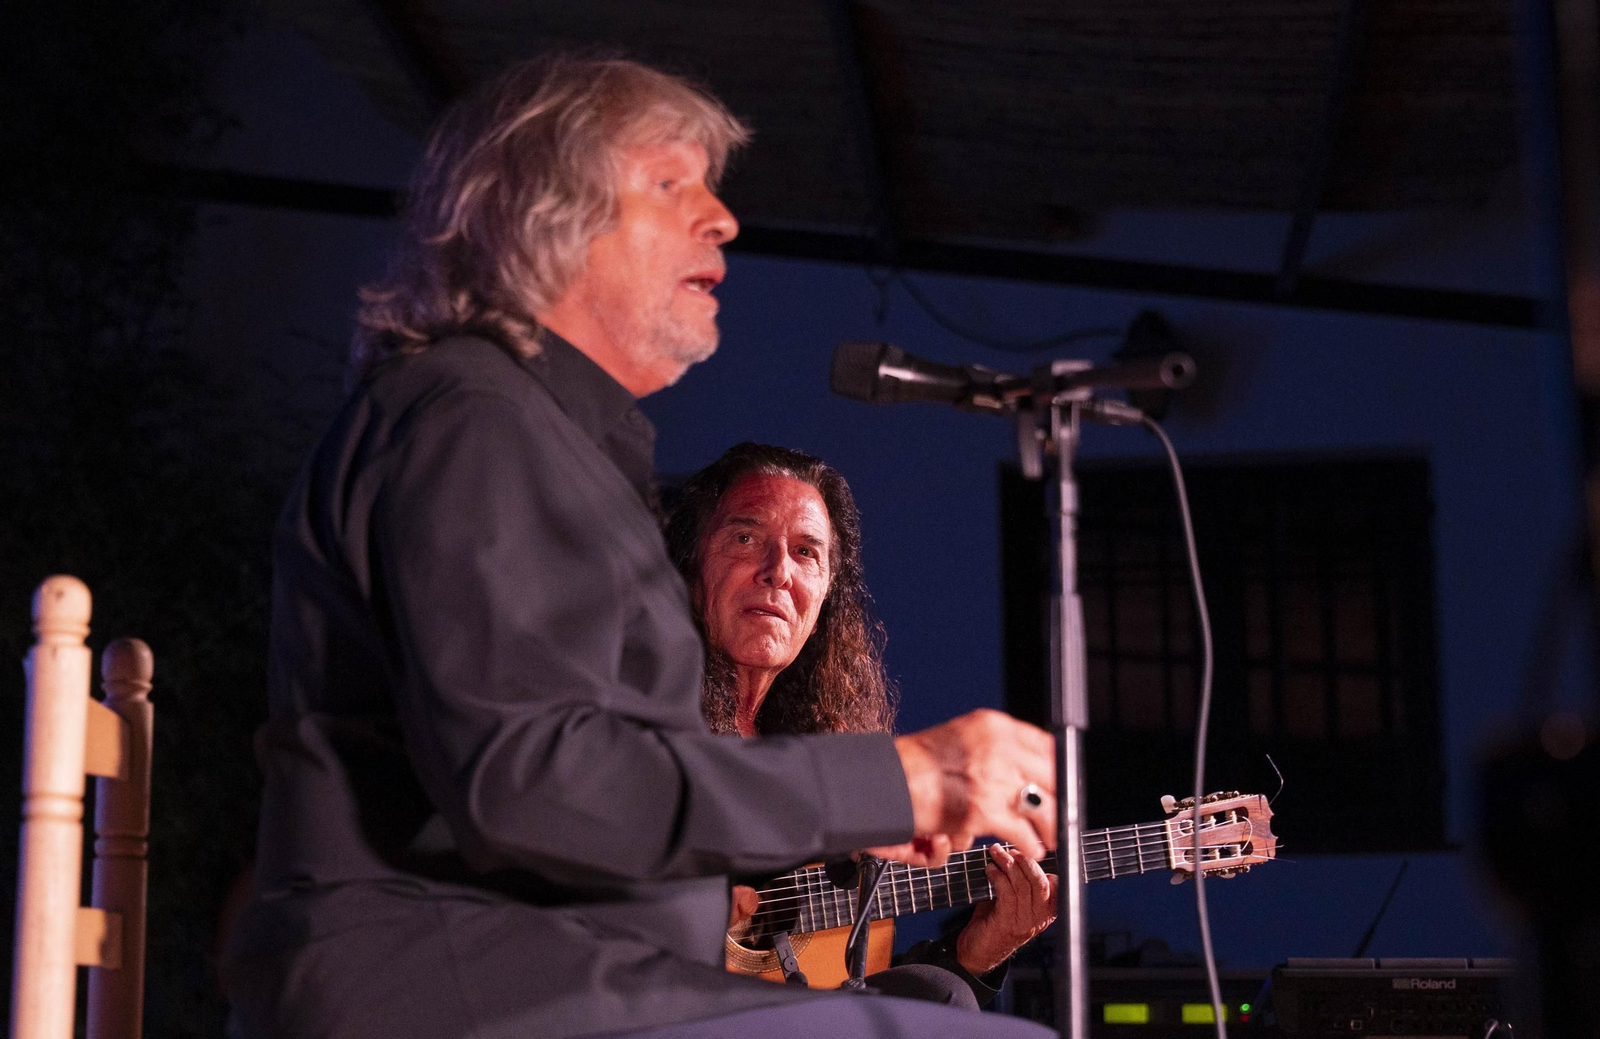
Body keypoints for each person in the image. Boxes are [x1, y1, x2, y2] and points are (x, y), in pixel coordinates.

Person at [222, 54, 1058, 1039]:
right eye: (671, 184)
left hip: (581, 979)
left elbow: (580, 796)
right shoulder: (472, 417)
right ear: (549, 217)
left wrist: (862, 831)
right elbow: (527, 777)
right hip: (457, 986)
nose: (723, 218)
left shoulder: (541, 437)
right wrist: (900, 775)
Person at [664, 442, 1057, 1008]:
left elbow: (848, 984)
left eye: (806, 553)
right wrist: (686, 917)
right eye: (746, 538)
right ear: (691, 562)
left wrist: (974, 953)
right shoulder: (637, 716)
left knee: (942, 996)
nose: (777, 572)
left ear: (825, 593)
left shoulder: (834, 751)